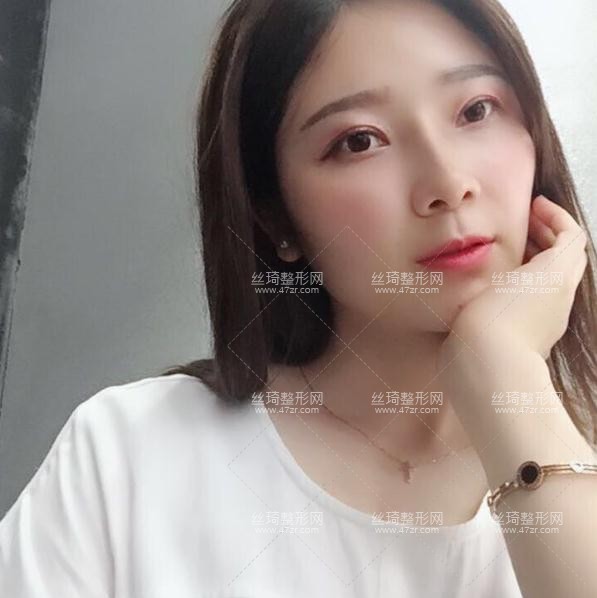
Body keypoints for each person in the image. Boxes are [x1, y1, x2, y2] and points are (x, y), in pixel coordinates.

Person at [2, 0, 597, 596]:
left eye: (476, 109)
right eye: (359, 141)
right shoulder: (129, 459)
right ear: (275, 217)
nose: (446, 183)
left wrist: (501, 371)